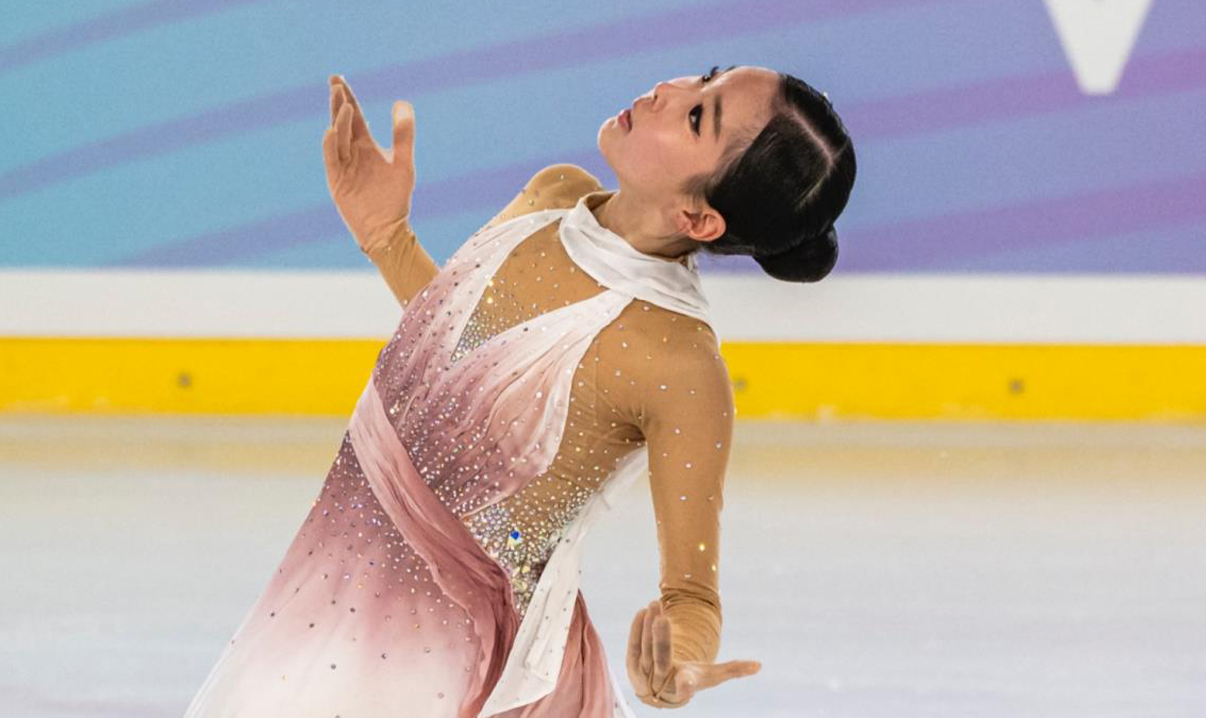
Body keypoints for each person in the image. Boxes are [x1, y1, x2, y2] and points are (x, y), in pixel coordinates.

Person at [183, 64, 855, 717]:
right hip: (336, 579)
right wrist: (387, 237)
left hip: (458, 657)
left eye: (698, 115)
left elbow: (692, 598)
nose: (670, 89)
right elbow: (454, 357)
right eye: (705, 76)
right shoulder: (553, 194)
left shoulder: (678, 361)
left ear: (699, 217)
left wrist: (675, 666)